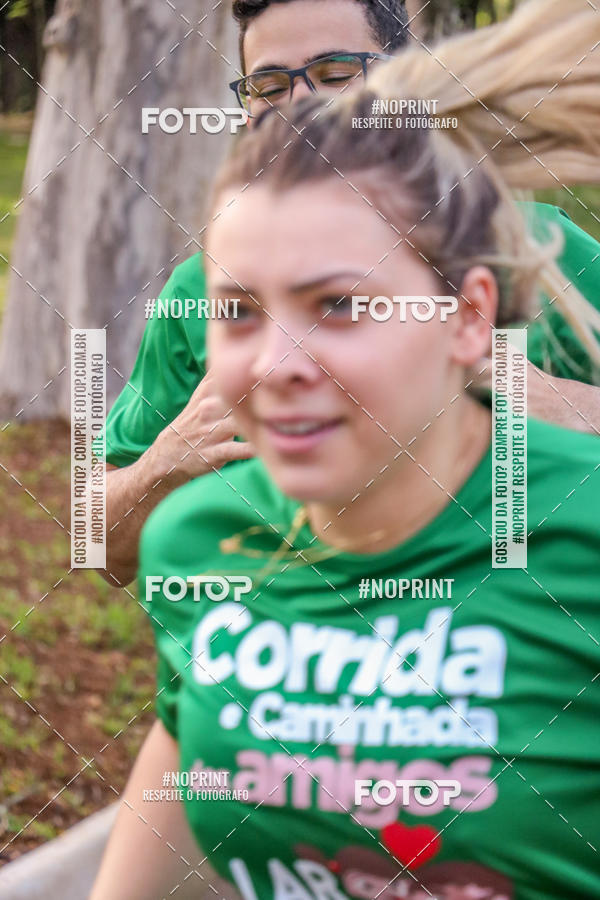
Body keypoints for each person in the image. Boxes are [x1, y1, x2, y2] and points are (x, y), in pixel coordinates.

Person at [90, 1, 600, 898]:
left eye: (343, 305)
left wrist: (553, 407)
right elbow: (95, 541)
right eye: (240, 312)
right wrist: (164, 464)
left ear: (472, 312)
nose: (278, 364)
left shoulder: (553, 264)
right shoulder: (200, 546)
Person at [99, 0, 600, 589]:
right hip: (288, 635)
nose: (299, 107)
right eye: (269, 87)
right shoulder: (201, 288)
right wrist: (161, 467)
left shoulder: (535, 248)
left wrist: (567, 409)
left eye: (336, 74)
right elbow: (98, 546)